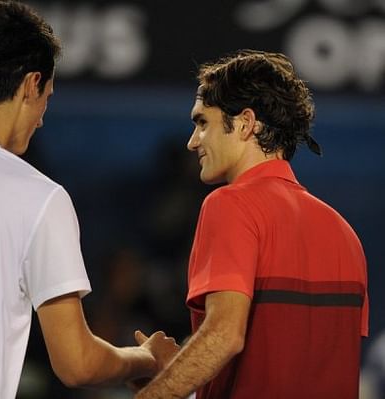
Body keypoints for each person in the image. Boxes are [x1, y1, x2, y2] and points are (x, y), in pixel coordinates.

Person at [0, 1, 178, 398]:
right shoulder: (40, 198)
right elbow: (77, 364)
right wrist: (146, 359)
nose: (41, 118)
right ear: (30, 84)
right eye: (47, 98)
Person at [135, 50, 368, 399]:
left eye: (202, 123)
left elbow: (225, 336)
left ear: (245, 123)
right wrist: (180, 369)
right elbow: (289, 360)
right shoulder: (345, 233)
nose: (192, 141)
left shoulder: (229, 204)